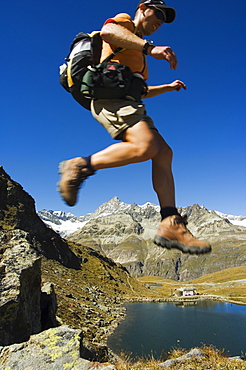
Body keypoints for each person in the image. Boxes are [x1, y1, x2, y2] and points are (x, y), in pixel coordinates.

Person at [58, 0, 211, 255]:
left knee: (163, 152)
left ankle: (170, 222)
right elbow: (108, 32)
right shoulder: (126, 24)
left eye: (164, 20)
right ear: (142, 8)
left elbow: (141, 90)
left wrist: (168, 87)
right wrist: (150, 48)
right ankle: (80, 166)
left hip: (130, 104)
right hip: (109, 100)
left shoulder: (139, 58)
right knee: (146, 146)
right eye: (158, 13)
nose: (160, 21)